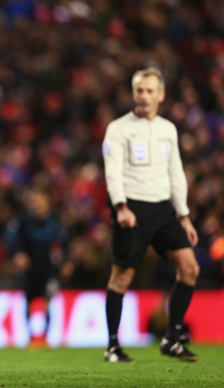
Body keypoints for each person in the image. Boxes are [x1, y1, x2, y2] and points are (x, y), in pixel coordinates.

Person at [102, 67, 199, 362]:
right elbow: (112, 171)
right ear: (133, 93)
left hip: (163, 209)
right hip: (132, 207)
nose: (143, 96)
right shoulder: (118, 128)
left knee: (190, 268)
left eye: (148, 90)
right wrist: (120, 206)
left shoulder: (168, 128)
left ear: (161, 94)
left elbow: (175, 173)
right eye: (138, 90)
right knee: (122, 276)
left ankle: (172, 338)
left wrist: (183, 215)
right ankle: (113, 346)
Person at [11, 187, 67, 346]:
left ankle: (45, 338)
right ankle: (30, 337)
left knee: (47, 300)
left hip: (49, 268)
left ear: (47, 200)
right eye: (34, 199)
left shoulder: (55, 220)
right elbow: (12, 240)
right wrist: (18, 254)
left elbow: (64, 242)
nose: (36, 202)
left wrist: (66, 261)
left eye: (39, 198)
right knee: (28, 301)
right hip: (29, 268)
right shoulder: (23, 220)